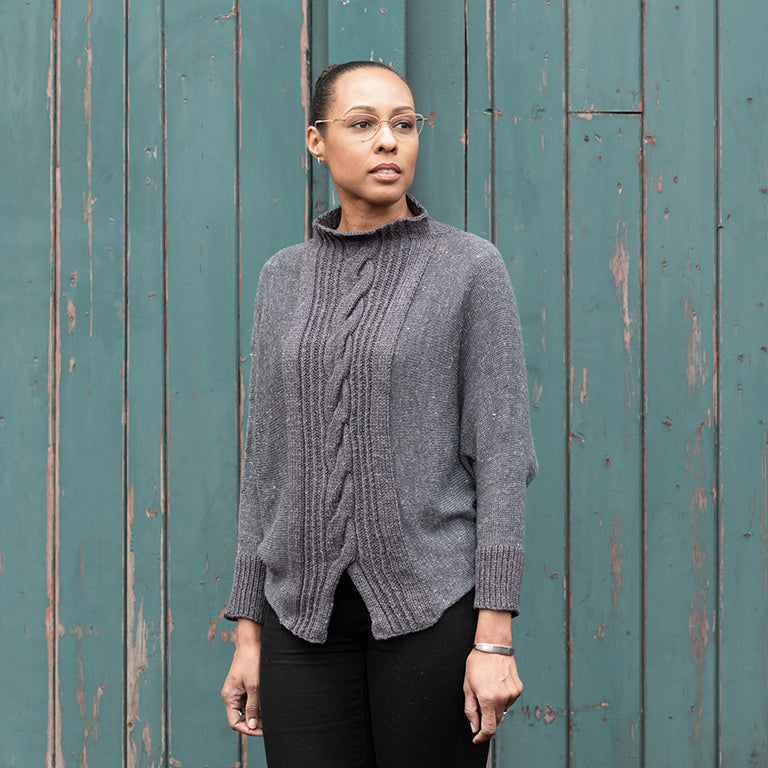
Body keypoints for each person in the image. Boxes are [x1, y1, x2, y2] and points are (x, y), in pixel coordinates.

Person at [220, 60, 537, 768]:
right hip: (299, 618)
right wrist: (248, 629)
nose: (388, 140)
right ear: (316, 140)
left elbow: (503, 455)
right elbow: (266, 463)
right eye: (362, 124)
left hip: (429, 605)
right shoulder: (282, 279)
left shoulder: (469, 269)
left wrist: (494, 637)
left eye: (403, 124)